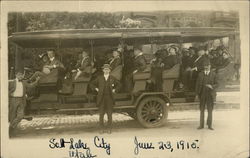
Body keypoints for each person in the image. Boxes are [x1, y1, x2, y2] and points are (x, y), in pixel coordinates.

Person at [90, 64, 121, 134]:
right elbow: (91, 84)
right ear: (103, 70)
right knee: (101, 114)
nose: (106, 70)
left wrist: (115, 90)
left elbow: (119, 85)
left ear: (109, 70)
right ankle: (101, 128)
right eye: (105, 69)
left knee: (109, 114)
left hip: (110, 98)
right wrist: (96, 89)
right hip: (101, 98)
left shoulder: (112, 78)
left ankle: (109, 128)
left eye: (107, 69)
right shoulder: (99, 78)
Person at [9, 72, 40, 136]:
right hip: (13, 100)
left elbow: (31, 86)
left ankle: (11, 126)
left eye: (21, 75)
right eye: (19, 75)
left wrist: (37, 81)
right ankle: (11, 133)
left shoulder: (24, 82)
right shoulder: (12, 82)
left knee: (20, 116)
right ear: (16, 75)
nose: (20, 76)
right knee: (12, 115)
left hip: (21, 100)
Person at [195, 61, 218, 130]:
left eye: (207, 66)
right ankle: (201, 125)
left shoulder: (214, 74)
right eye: (205, 66)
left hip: (210, 95)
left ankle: (209, 125)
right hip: (202, 94)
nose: (206, 67)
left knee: (210, 110)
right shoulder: (200, 74)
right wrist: (196, 94)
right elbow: (197, 85)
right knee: (202, 110)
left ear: (210, 66)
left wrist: (212, 86)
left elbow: (218, 84)